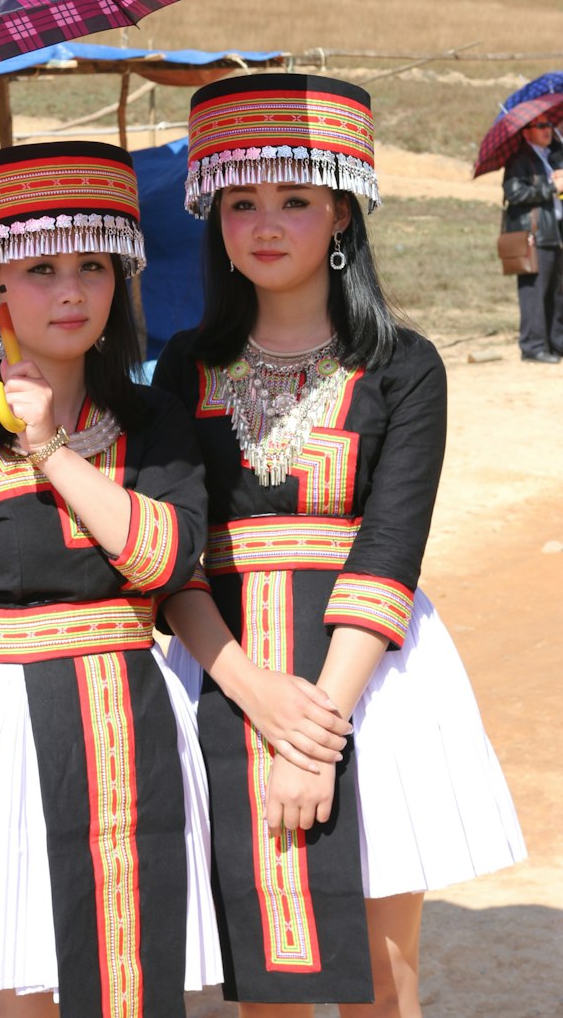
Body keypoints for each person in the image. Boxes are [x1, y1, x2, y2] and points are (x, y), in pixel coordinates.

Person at [153, 73, 526, 1017]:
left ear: (342, 217)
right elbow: (174, 555)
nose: (266, 224)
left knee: (378, 965)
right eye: (242, 202)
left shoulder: (405, 365)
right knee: (258, 967)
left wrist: (315, 732)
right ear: (215, 218)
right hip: (223, 675)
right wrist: (251, 690)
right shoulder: (183, 367)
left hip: (371, 680)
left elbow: (390, 549)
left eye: (295, 200)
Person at [0, 141, 222, 1018]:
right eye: (39, 268)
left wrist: (51, 448)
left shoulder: (155, 422)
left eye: (93, 265)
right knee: (14, 1004)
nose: (71, 291)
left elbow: (165, 563)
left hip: (139, 739)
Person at [502, 113, 563, 363]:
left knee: (557, 291)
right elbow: (514, 192)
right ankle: (533, 346)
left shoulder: (551, 157)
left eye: (549, 125)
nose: (547, 129)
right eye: (541, 126)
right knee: (534, 292)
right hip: (533, 235)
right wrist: (552, 188)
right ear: (526, 131)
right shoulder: (520, 159)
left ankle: (556, 342)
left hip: (555, 232)